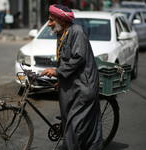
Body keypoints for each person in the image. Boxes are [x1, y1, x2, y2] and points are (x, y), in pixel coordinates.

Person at [41, 4, 103, 150]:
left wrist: (57, 72)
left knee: (74, 126)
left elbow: (78, 58)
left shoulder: (77, 32)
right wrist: (60, 80)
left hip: (83, 86)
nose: (48, 24)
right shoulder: (61, 32)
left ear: (62, 21)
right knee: (68, 122)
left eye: (51, 20)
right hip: (71, 86)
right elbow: (64, 60)